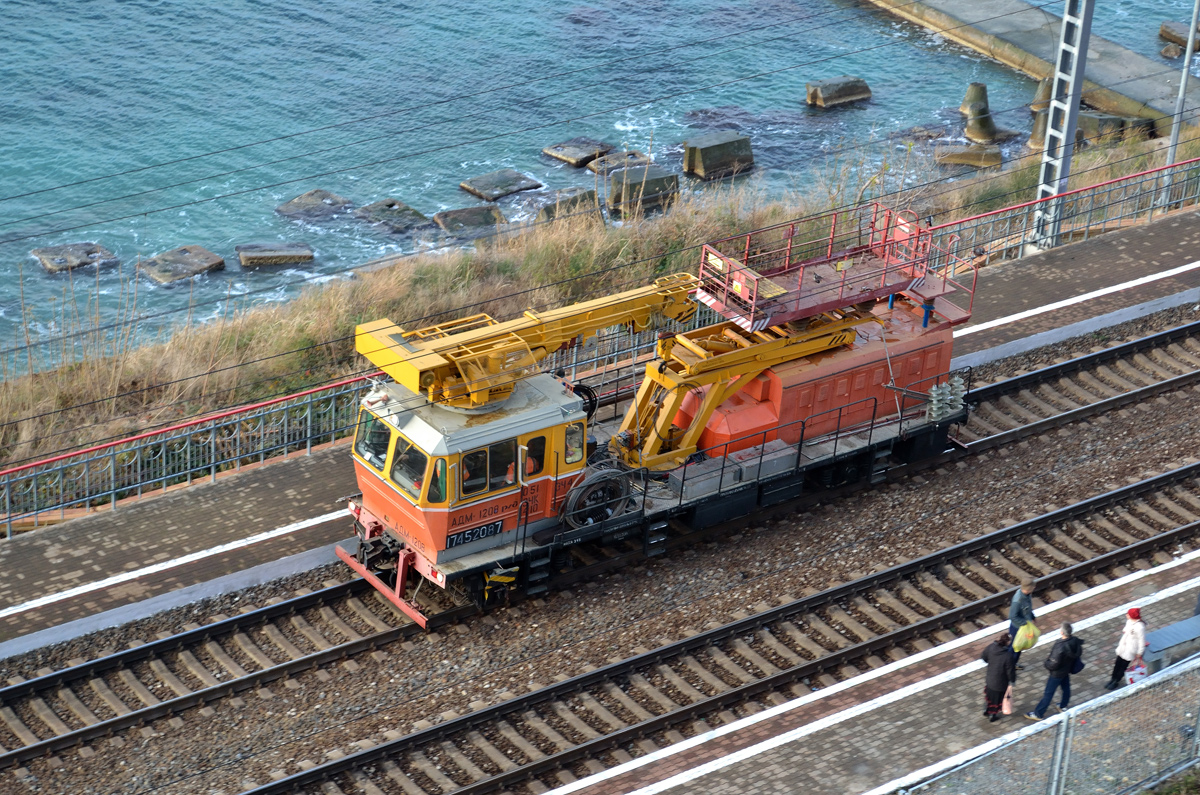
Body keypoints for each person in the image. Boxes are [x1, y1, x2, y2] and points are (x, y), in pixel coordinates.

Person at [1024, 622, 1083, 720]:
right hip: (1066, 670)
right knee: (1066, 688)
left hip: (1057, 673)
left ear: (1062, 632)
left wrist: (1046, 662)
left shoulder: (1060, 647)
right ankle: (1062, 706)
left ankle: (1038, 713)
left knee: (1048, 693)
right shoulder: (1075, 641)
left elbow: (1053, 664)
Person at [1105, 607, 1147, 690]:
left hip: (1131, 648)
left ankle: (1116, 681)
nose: (1126, 615)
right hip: (1124, 645)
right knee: (1117, 663)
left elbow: (1141, 641)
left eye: (1128, 614)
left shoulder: (1140, 627)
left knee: (1123, 666)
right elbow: (1126, 629)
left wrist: (1140, 652)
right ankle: (1112, 678)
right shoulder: (1129, 621)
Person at [980, 631, 1017, 722]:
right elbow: (1010, 671)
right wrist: (1012, 681)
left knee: (989, 696)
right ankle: (992, 715)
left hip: (990, 679)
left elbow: (983, 656)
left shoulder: (991, 647)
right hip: (1000, 683)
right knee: (996, 700)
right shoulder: (1007, 656)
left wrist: (991, 663)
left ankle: (986, 710)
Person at [1009, 578, 1037, 667]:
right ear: (1029, 588)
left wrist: (1032, 616)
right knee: (1014, 648)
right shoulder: (1018, 600)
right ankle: (1009, 666)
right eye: (1033, 587)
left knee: (1019, 647)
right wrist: (1025, 623)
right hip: (1018, 628)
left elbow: (1027, 608)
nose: (1034, 588)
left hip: (1023, 627)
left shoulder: (1027, 595)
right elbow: (1012, 616)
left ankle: (1014, 664)